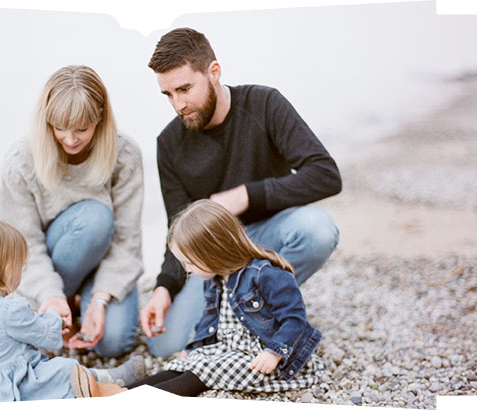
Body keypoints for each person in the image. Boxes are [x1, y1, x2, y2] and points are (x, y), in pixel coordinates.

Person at [140, 27, 342, 358]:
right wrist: (164, 287)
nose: (178, 104)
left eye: (185, 89)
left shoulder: (264, 104)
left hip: (265, 239)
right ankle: (240, 314)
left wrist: (246, 195)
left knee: (317, 230)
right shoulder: (169, 143)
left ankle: (261, 308)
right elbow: (177, 231)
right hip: (211, 258)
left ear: (214, 72)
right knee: (164, 343)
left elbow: (325, 175)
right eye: (168, 94)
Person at [0, 65, 144, 358]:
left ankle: (83, 300)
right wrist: (50, 296)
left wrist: (101, 299)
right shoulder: (21, 161)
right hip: (48, 264)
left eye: (82, 129)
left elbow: (127, 238)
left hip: (105, 264)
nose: (70, 139)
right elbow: (22, 245)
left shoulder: (124, 155)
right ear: (46, 120)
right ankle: (62, 300)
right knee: (94, 220)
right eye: (59, 127)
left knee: (114, 343)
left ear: (100, 120)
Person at [127, 200, 321, 396]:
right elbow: (209, 321)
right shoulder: (215, 278)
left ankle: (138, 401)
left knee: (203, 372)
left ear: (213, 251)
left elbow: (294, 319)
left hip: (264, 357)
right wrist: (194, 349)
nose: (187, 270)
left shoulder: (265, 274)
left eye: (190, 263)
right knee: (182, 364)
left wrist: (274, 353)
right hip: (228, 349)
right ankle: (120, 392)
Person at [0, 221, 143, 404]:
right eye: (20, 267)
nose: (22, 273)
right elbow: (44, 335)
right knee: (64, 368)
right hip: (12, 383)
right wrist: (54, 315)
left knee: (51, 366)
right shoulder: (10, 310)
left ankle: (93, 381)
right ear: (5, 270)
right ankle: (104, 379)